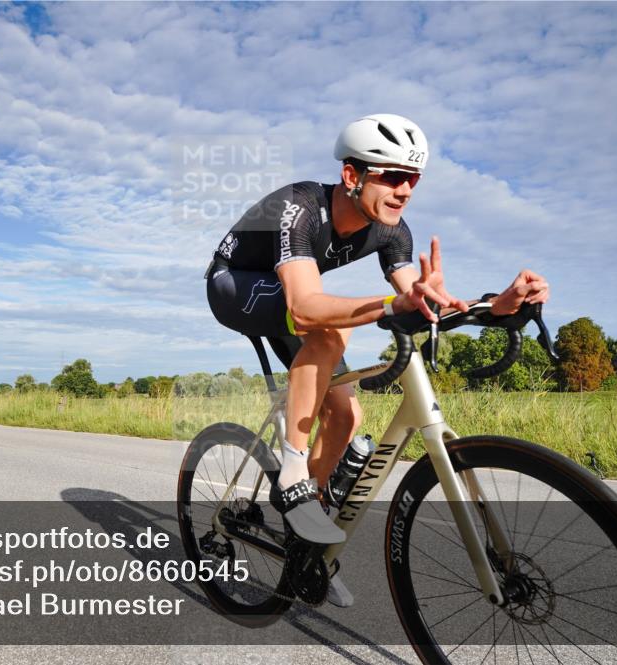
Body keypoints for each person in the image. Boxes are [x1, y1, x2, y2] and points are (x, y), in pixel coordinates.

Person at [205, 114, 550, 606]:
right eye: (391, 175)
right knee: (330, 332)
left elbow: (421, 301)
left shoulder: (393, 232)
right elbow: (304, 305)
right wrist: (389, 306)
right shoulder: (299, 208)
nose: (404, 189)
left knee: (347, 413)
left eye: (413, 178)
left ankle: (304, 543)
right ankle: (293, 471)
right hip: (236, 284)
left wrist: (494, 307)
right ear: (352, 176)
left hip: (286, 297)